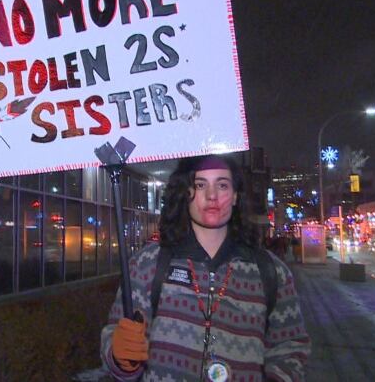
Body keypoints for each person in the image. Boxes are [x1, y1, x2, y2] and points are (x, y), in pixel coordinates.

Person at [101, 154, 310, 381]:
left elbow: (290, 349)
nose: (212, 196)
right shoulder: (146, 264)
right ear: (186, 193)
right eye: (200, 185)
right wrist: (120, 357)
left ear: (235, 196)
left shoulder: (272, 272)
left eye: (222, 185)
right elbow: (116, 338)